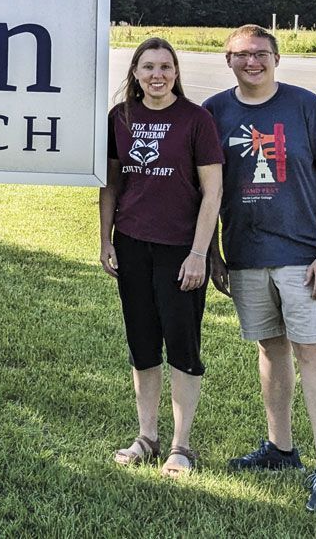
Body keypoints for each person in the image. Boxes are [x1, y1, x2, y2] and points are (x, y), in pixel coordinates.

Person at [204, 23, 316, 513]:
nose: (252, 62)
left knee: (314, 353)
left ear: (276, 57)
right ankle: (280, 447)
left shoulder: (305, 105)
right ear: (228, 60)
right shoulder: (214, 112)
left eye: (261, 53)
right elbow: (205, 190)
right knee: (271, 348)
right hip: (245, 255)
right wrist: (211, 252)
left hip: (303, 258)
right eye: (242, 54)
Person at [100, 38, 223, 476]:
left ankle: (181, 446)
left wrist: (199, 253)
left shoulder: (196, 119)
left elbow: (213, 192)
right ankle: (147, 437)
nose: (157, 75)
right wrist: (105, 239)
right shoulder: (121, 118)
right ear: (134, 72)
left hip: (180, 249)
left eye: (165, 67)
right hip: (132, 243)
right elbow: (111, 185)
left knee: (183, 346)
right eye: (148, 67)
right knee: (143, 345)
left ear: (176, 72)